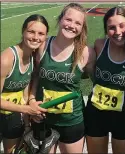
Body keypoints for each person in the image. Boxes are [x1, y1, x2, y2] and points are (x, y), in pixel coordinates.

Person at [28, 3, 95, 154]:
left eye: (78, 23)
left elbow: (98, 82)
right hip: (43, 118)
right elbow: (35, 77)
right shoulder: (42, 45)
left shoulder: (86, 53)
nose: (72, 25)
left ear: (82, 28)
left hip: (72, 121)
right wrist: (31, 101)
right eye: (68, 20)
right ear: (60, 20)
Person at [84, 7, 125, 154]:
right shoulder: (99, 45)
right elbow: (91, 75)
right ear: (106, 29)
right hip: (95, 114)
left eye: (122, 26)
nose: (118, 32)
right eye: (111, 28)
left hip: (123, 116)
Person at [0, 14, 49, 154]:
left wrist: (27, 124)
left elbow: (25, 93)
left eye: (41, 33)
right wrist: (27, 109)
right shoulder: (6, 59)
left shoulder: (33, 58)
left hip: (14, 117)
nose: (35, 37)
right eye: (31, 31)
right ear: (23, 31)